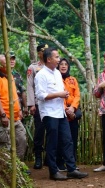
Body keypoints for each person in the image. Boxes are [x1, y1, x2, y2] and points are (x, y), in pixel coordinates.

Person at [35, 47, 88, 180]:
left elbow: (63, 93)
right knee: (53, 142)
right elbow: (40, 95)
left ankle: (71, 168)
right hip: (49, 113)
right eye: (57, 57)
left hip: (60, 112)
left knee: (67, 140)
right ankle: (53, 171)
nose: (59, 59)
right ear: (49, 59)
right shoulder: (41, 75)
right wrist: (59, 94)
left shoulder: (57, 74)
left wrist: (65, 100)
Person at [0, 54, 27, 160]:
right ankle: (10, 169)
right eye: (6, 62)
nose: (9, 63)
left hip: (16, 117)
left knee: (22, 139)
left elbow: (15, 94)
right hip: (4, 117)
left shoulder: (10, 76)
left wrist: (19, 109)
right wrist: (3, 115)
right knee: (6, 144)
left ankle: (19, 166)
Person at [56, 58, 81, 171]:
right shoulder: (56, 79)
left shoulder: (73, 79)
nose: (64, 66)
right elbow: (58, 96)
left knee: (73, 139)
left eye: (66, 64)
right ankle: (60, 163)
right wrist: (66, 109)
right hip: (61, 113)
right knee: (61, 139)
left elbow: (77, 96)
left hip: (73, 113)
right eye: (61, 64)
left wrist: (72, 108)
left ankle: (72, 163)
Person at [27, 43, 48, 169]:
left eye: (46, 50)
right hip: (38, 103)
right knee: (39, 131)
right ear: (38, 53)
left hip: (51, 103)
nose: (44, 53)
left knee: (51, 131)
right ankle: (38, 157)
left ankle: (49, 158)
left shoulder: (51, 66)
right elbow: (29, 86)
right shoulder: (33, 67)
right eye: (42, 51)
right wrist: (31, 104)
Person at [10, 51, 29, 117]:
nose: (12, 61)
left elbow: (22, 91)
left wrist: (25, 107)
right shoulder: (1, 75)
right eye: (10, 59)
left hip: (19, 106)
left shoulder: (17, 75)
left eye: (13, 59)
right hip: (7, 106)